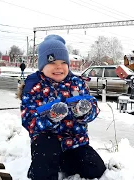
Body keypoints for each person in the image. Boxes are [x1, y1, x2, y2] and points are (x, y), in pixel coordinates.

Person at [17, 34, 106, 180]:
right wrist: (51, 117)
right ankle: (39, 170)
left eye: (63, 62)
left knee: (95, 168)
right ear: (42, 65)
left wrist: (85, 111)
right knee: (44, 168)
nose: (58, 66)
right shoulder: (34, 86)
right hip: (47, 143)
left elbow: (94, 108)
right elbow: (28, 120)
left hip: (74, 142)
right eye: (52, 62)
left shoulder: (77, 83)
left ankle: (63, 164)